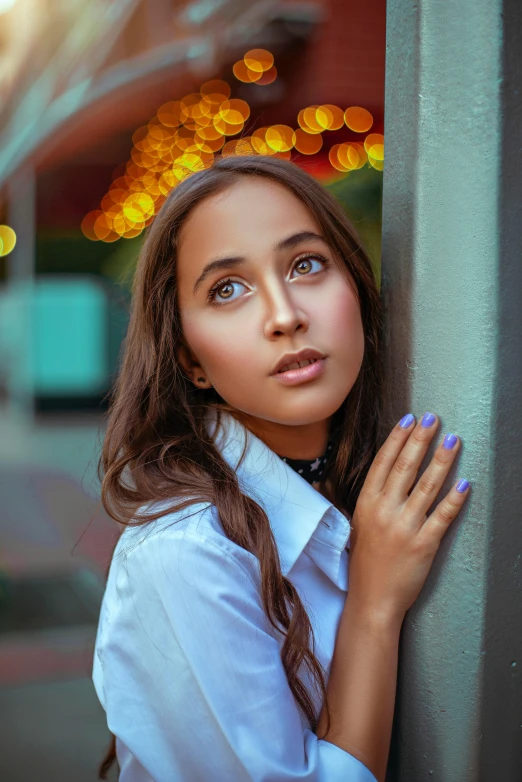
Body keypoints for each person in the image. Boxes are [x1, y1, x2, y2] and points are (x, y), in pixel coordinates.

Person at [92, 155, 470, 782]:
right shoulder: (186, 555)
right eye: (227, 289)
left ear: (356, 285)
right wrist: (375, 602)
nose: (285, 314)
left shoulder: (368, 480)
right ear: (191, 360)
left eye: (306, 264)